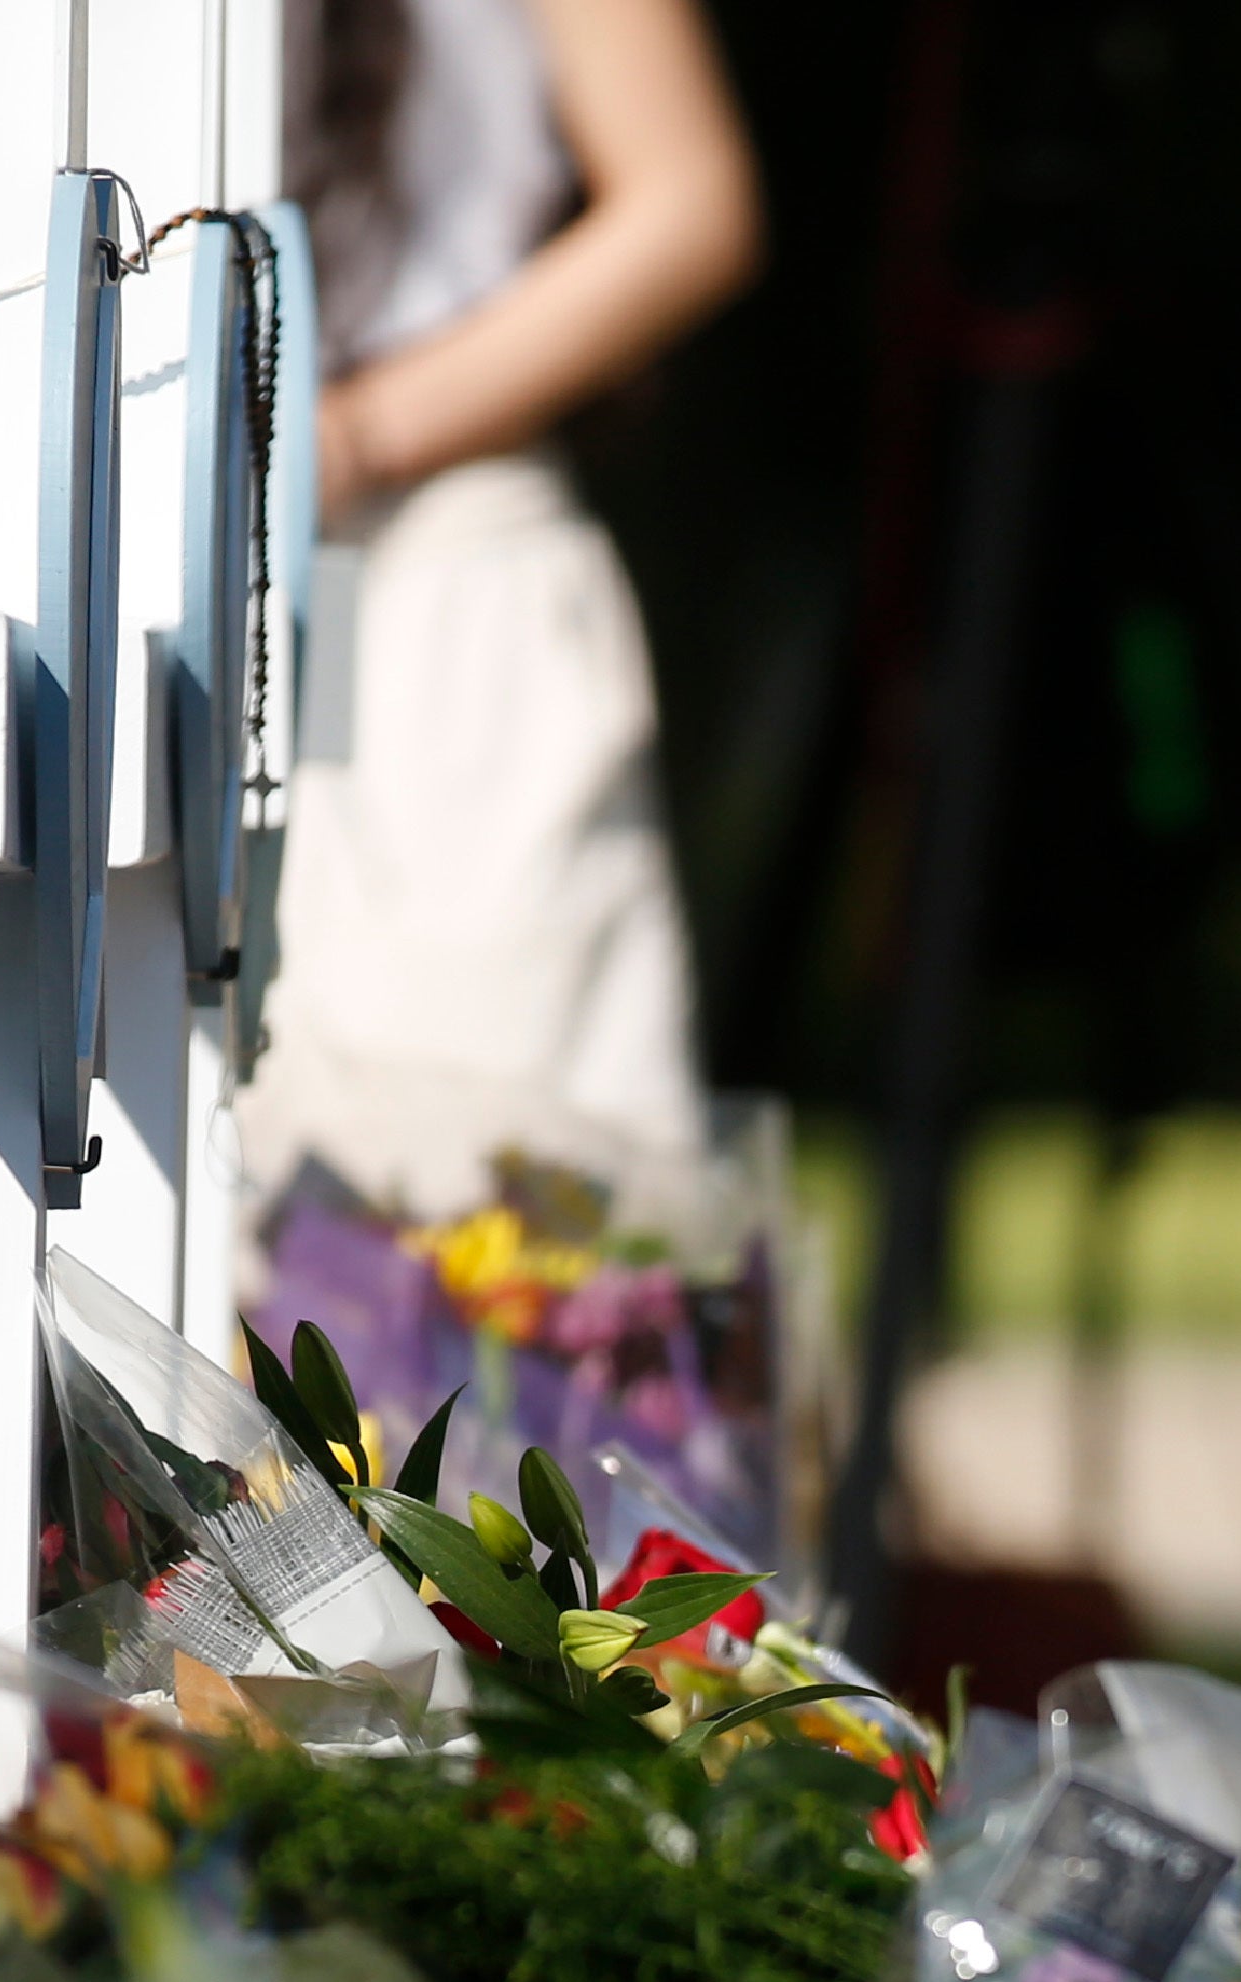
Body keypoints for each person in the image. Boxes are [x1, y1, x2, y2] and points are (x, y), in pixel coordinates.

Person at [253, 0, 758, 1158]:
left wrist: (361, 433)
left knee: (502, 1209)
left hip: (441, 577)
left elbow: (690, 200)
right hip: (141, 588)